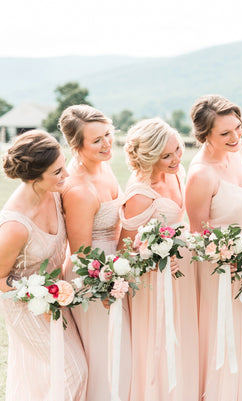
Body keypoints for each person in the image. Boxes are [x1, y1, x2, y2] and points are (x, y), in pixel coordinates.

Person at [0, 130, 88, 400]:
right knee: (72, 371)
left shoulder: (55, 193)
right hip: (25, 305)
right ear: (34, 177)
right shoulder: (15, 226)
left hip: (54, 299)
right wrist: (39, 293)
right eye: (58, 171)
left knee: (45, 376)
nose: (66, 176)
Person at [119, 118, 199, 401]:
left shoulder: (178, 173)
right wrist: (151, 256)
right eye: (167, 156)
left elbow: (182, 220)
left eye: (178, 149)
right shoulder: (140, 194)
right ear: (149, 157)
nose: (176, 158)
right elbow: (124, 250)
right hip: (153, 281)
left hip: (182, 272)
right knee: (158, 344)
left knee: (184, 338)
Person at [186, 95, 242, 401]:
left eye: (238, 128)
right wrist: (229, 257)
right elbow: (196, 234)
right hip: (220, 272)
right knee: (226, 346)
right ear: (205, 135)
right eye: (225, 133)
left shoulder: (237, 153)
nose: (236, 137)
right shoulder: (201, 174)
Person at [59, 105, 131, 401]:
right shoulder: (78, 189)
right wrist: (107, 284)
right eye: (97, 140)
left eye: (108, 134)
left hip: (115, 270)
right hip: (92, 280)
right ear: (76, 146)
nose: (107, 144)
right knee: (105, 354)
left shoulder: (104, 167)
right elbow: (81, 255)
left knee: (120, 351)